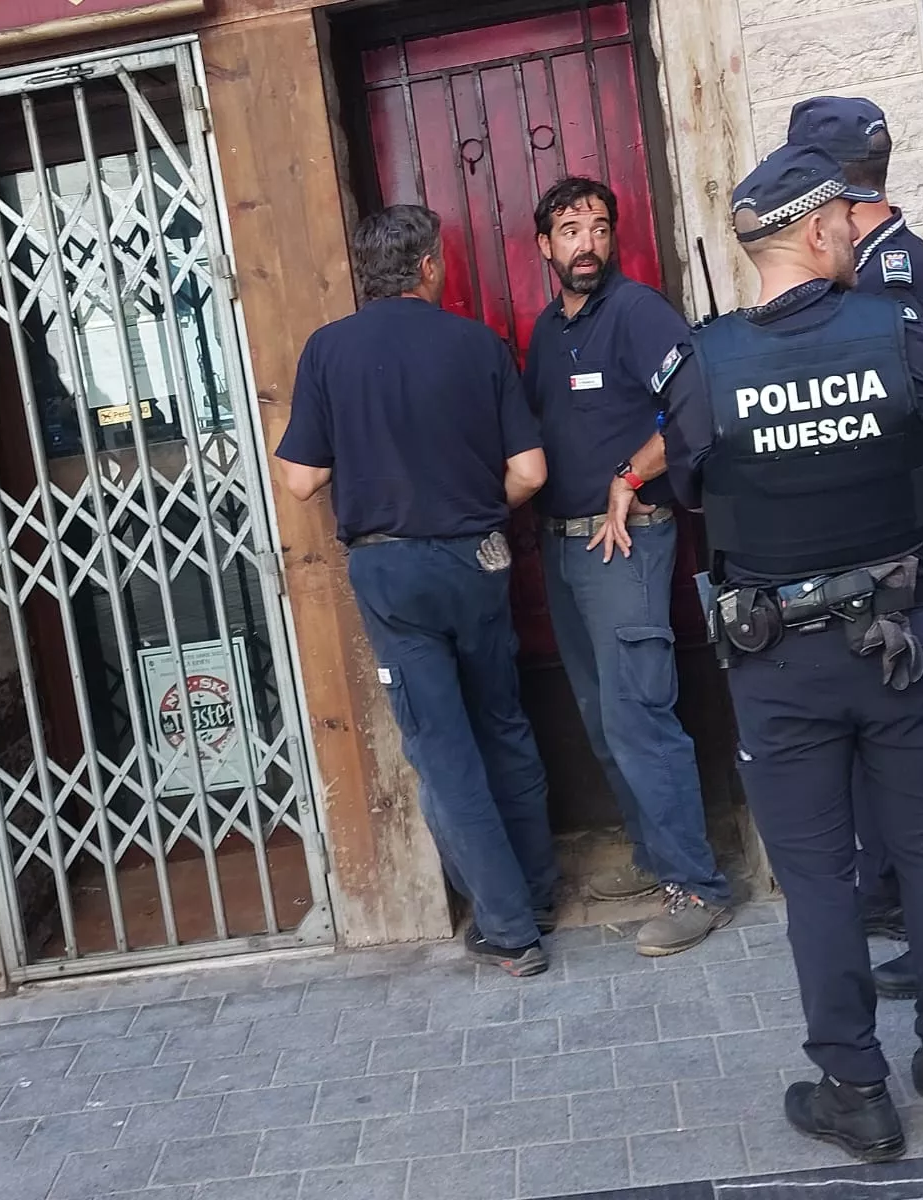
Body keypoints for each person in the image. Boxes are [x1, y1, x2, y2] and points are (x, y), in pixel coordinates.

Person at [659, 143, 923, 1161]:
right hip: (905, 642)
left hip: (779, 661)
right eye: (846, 220)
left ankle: (857, 1090)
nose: (857, 229)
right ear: (815, 231)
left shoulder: (704, 362)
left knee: (817, 878)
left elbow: (690, 488)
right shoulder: (895, 331)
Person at [274, 204, 561, 977]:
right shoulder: (479, 345)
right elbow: (530, 471)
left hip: (392, 571)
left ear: (365, 273)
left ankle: (511, 930)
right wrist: (472, 511)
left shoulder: (328, 350)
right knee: (503, 722)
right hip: (480, 558)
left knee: (442, 748)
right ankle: (538, 894)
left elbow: (302, 480)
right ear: (429, 267)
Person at [787, 95, 923, 1001]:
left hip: (905, 554)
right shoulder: (883, 264)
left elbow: (903, 421)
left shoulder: (890, 278)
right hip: (896, 554)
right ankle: (920, 910)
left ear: (830, 188)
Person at [521, 176, 731, 957]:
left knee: (640, 716)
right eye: (571, 230)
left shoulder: (638, 312)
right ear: (544, 245)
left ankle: (698, 887)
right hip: (564, 545)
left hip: (626, 542)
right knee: (603, 720)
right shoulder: (549, 330)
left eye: (600, 228)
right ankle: (655, 857)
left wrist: (631, 474)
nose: (588, 243)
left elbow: (699, 403)